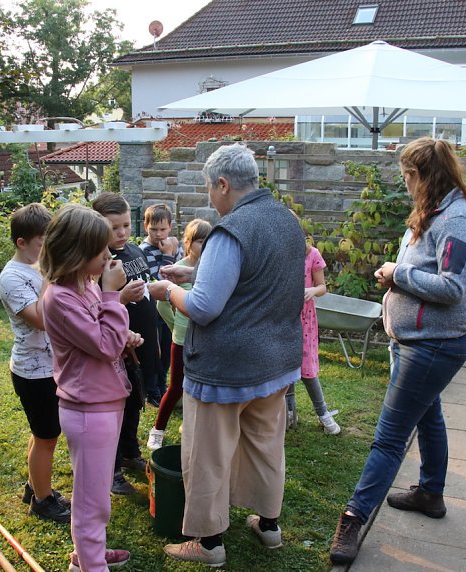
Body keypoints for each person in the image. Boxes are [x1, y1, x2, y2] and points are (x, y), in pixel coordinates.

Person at [329, 137, 466, 567]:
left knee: (390, 437)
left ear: (423, 175)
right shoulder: (434, 211)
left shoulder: (457, 221)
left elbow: (454, 288)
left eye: (406, 176)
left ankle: (353, 517)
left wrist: (398, 273)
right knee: (428, 414)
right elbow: (428, 272)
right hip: (413, 340)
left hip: (433, 346)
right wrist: (399, 278)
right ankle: (430, 493)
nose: (404, 184)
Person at [148, 144, 306, 567]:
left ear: (223, 184)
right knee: (265, 445)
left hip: (226, 368)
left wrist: (168, 289)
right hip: (276, 361)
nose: (209, 196)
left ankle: (208, 542)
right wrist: (198, 274)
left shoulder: (230, 229)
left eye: (209, 187)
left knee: (207, 456)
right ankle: (268, 526)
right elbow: (258, 277)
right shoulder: (287, 221)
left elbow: (203, 307)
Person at [40, 204, 143, 572]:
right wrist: (113, 296)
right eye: (101, 250)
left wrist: (123, 334)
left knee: (96, 493)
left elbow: (102, 333)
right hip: (88, 411)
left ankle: (89, 555)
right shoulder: (60, 299)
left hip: (105, 401)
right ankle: (91, 565)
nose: (109, 254)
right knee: (90, 499)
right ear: (77, 253)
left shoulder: (84, 285)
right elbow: (103, 345)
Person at [0, 203, 71, 523]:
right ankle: (41, 501)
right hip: (33, 371)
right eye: (41, 242)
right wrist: (52, 277)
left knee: (43, 433)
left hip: (49, 367)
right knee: (46, 437)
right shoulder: (11, 277)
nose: (46, 247)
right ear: (22, 242)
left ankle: (34, 485)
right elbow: (43, 319)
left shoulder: (38, 267)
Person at [92, 192, 158, 496]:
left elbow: (144, 285)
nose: (121, 233)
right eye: (113, 227)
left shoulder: (133, 252)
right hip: (114, 345)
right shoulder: (98, 260)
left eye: (126, 225)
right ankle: (112, 469)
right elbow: (92, 305)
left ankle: (130, 452)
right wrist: (121, 297)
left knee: (135, 401)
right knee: (116, 407)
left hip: (140, 344)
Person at [147, 218, 212, 451]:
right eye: (200, 241)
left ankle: (193, 428)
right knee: (175, 387)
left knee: (202, 389)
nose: (204, 246)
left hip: (206, 341)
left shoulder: (211, 269)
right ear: (188, 242)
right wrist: (176, 325)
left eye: (208, 241)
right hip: (183, 339)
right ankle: (158, 430)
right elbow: (163, 303)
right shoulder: (179, 268)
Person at [285, 213, 341, 435]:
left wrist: (311, 290)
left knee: (307, 369)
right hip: (285, 317)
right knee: (286, 366)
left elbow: (322, 287)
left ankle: (323, 414)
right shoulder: (279, 254)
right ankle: (289, 414)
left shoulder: (312, 255)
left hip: (305, 319)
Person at [139, 203, 183, 406]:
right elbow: (156, 280)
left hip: (170, 306)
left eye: (163, 229)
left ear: (170, 227)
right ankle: (152, 390)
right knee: (154, 350)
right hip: (153, 309)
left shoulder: (176, 246)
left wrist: (173, 253)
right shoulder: (143, 250)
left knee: (167, 348)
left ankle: (162, 385)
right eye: (153, 229)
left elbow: (180, 272)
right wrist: (167, 256)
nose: (158, 234)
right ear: (145, 226)